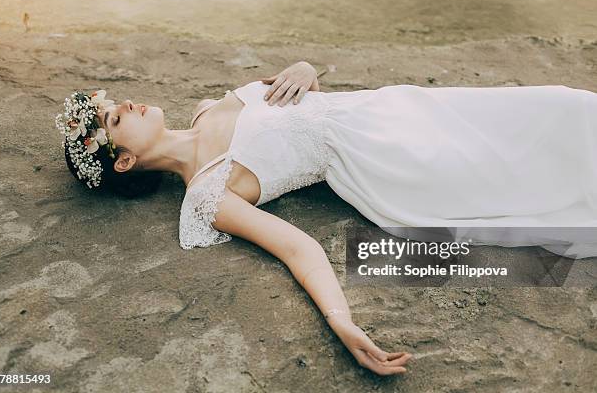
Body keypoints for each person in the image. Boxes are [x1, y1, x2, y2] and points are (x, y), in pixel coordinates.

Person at [55, 60, 597, 375]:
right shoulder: (208, 195)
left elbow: (290, 84)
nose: (127, 103)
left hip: (383, 107)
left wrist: (306, 68)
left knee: (557, 106)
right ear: (123, 160)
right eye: (114, 118)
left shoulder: (207, 107)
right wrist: (340, 318)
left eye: (117, 102)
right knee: (511, 168)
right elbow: (297, 248)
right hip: (385, 162)